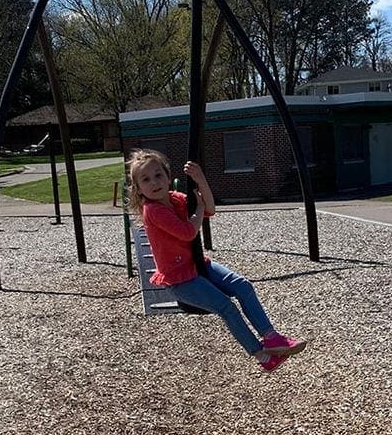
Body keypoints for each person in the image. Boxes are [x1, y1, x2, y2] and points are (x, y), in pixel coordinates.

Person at [126, 148, 306, 372]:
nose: (154, 182)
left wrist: (200, 179)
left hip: (198, 264)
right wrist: (199, 208)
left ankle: (271, 337)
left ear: (168, 175)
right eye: (146, 179)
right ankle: (262, 356)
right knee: (226, 307)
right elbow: (187, 232)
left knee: (243, 286)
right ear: (139, 189)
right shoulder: (152, 210)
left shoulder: (176, 199)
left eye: (158, 175)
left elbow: (210, 208)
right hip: (179, 279)